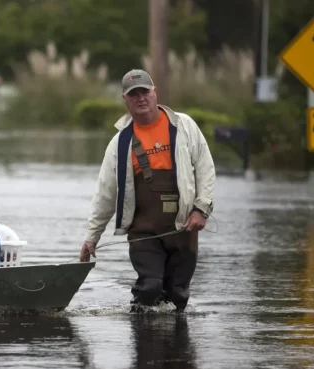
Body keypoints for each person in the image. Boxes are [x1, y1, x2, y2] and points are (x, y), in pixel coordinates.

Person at [79, 69, 215, 312]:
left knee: (177, 296)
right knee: (150, 288)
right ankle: (143, 340)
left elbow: (205, 169)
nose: (140, 98)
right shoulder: (119, 143)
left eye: (144, 92)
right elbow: (106, 194)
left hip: (184, 227)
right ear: (125, 99)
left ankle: (176, 349)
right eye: (133, 94)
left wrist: (201, 210)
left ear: (155, 93)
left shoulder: (184, 126)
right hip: (142, 232)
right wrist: (92, 237)